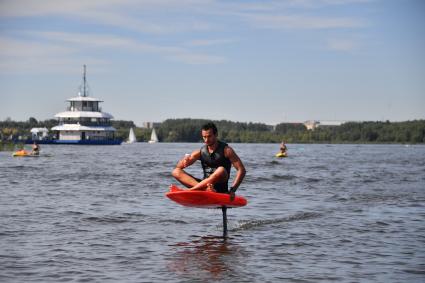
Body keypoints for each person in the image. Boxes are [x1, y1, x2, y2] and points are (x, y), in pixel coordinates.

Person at [172, 122, 246, 199]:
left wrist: (232, 190)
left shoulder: (227, 150)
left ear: (216, 134)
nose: (206, 140)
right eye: (204, 137)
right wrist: (184, 161)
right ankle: (205, 189)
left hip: (221, 188)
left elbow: (241, 170)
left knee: (221, 170)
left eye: (209, 136)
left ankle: (191, 190)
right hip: (205, 186)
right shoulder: (200, 152)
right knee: (175, 171)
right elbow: (178, 167)